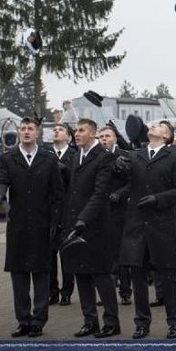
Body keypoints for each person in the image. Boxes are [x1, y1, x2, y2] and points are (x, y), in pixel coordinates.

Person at [0, 116, 64, 338]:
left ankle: (38, 320)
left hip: (42, 224)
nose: (26, 132)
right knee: (19, 274)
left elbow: (58, 195)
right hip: (17, 225)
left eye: (30, 129)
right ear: (18, 132)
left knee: (41, 274)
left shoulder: (49, 159)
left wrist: (56, 223)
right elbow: (1, 181)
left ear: (37, 133)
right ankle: (23, 320)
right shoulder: (8, 158)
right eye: (23, 129)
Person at [118, 122, 176, 339]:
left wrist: (158, 199)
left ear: (166, 135)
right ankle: (141, 322)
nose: (153, 126)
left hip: (162, 225)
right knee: (137, 276)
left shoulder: (174, 157)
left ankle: (174, 321)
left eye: (159, 125)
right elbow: (125, 180)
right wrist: (119, 167)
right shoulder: (135, 155)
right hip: (137, 224)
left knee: (168, 276)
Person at [60, 119, 121, 338]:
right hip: (76, 225)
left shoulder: (104, 157)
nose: (76, 134)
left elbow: (100, 193)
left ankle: (111, 322)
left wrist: (83, 219)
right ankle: (90, 321)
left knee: (100, 275)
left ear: (93, 134)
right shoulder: (77, 157)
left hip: (96, 226)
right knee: (81, 275)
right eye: (75, 131)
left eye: (81, 130)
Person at [97, 125, 132, 305]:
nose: (104, 139)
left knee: (120, 253)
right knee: (104, 253)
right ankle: (106, 292)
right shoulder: (96, 157)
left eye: (107, 136)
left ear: (115, 138)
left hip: (119, 210)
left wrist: (120, 194)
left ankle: (125, 291)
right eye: (101, 137)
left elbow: (132, 182)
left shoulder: (124, 156)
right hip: (101, 209)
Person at [48, 123, 76, 306]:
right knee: (49, 254)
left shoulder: (74, 155)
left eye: (61, 130)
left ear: (69, 136)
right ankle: (52, 291)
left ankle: (67, 291)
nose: (56, 131)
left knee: (67, 253)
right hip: (48, 209)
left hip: (67, 209)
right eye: (55, 129)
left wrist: (66, 170)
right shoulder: (45, 155)